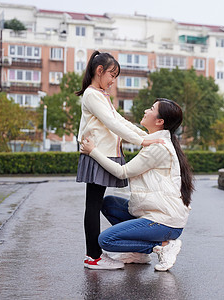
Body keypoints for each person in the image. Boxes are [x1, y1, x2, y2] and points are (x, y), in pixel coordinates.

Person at [80, 98, 194, 271]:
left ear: (159, 121)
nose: (146, 111)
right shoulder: (155, 140)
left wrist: (93, 151)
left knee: (106, 240)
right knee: (109, 204)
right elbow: (125, 127)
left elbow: (122, 172)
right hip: (156, 214)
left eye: (151, 108)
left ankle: (161, 246)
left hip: (164, 222)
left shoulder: (159, 148)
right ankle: (138, 253)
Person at [76, 51, 161, 270]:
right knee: (93, 206)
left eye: (116, 76)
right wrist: (141, 142)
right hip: (97, 154)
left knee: (94, 205)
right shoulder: (92, 95)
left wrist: (145, 136)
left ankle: (94, 255)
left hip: (102, 154)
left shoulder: (101, 95)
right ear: (99, 71)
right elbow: (113, 125)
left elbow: (119, 120)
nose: (113, 81)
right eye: (112, 75)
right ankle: (93, 256)